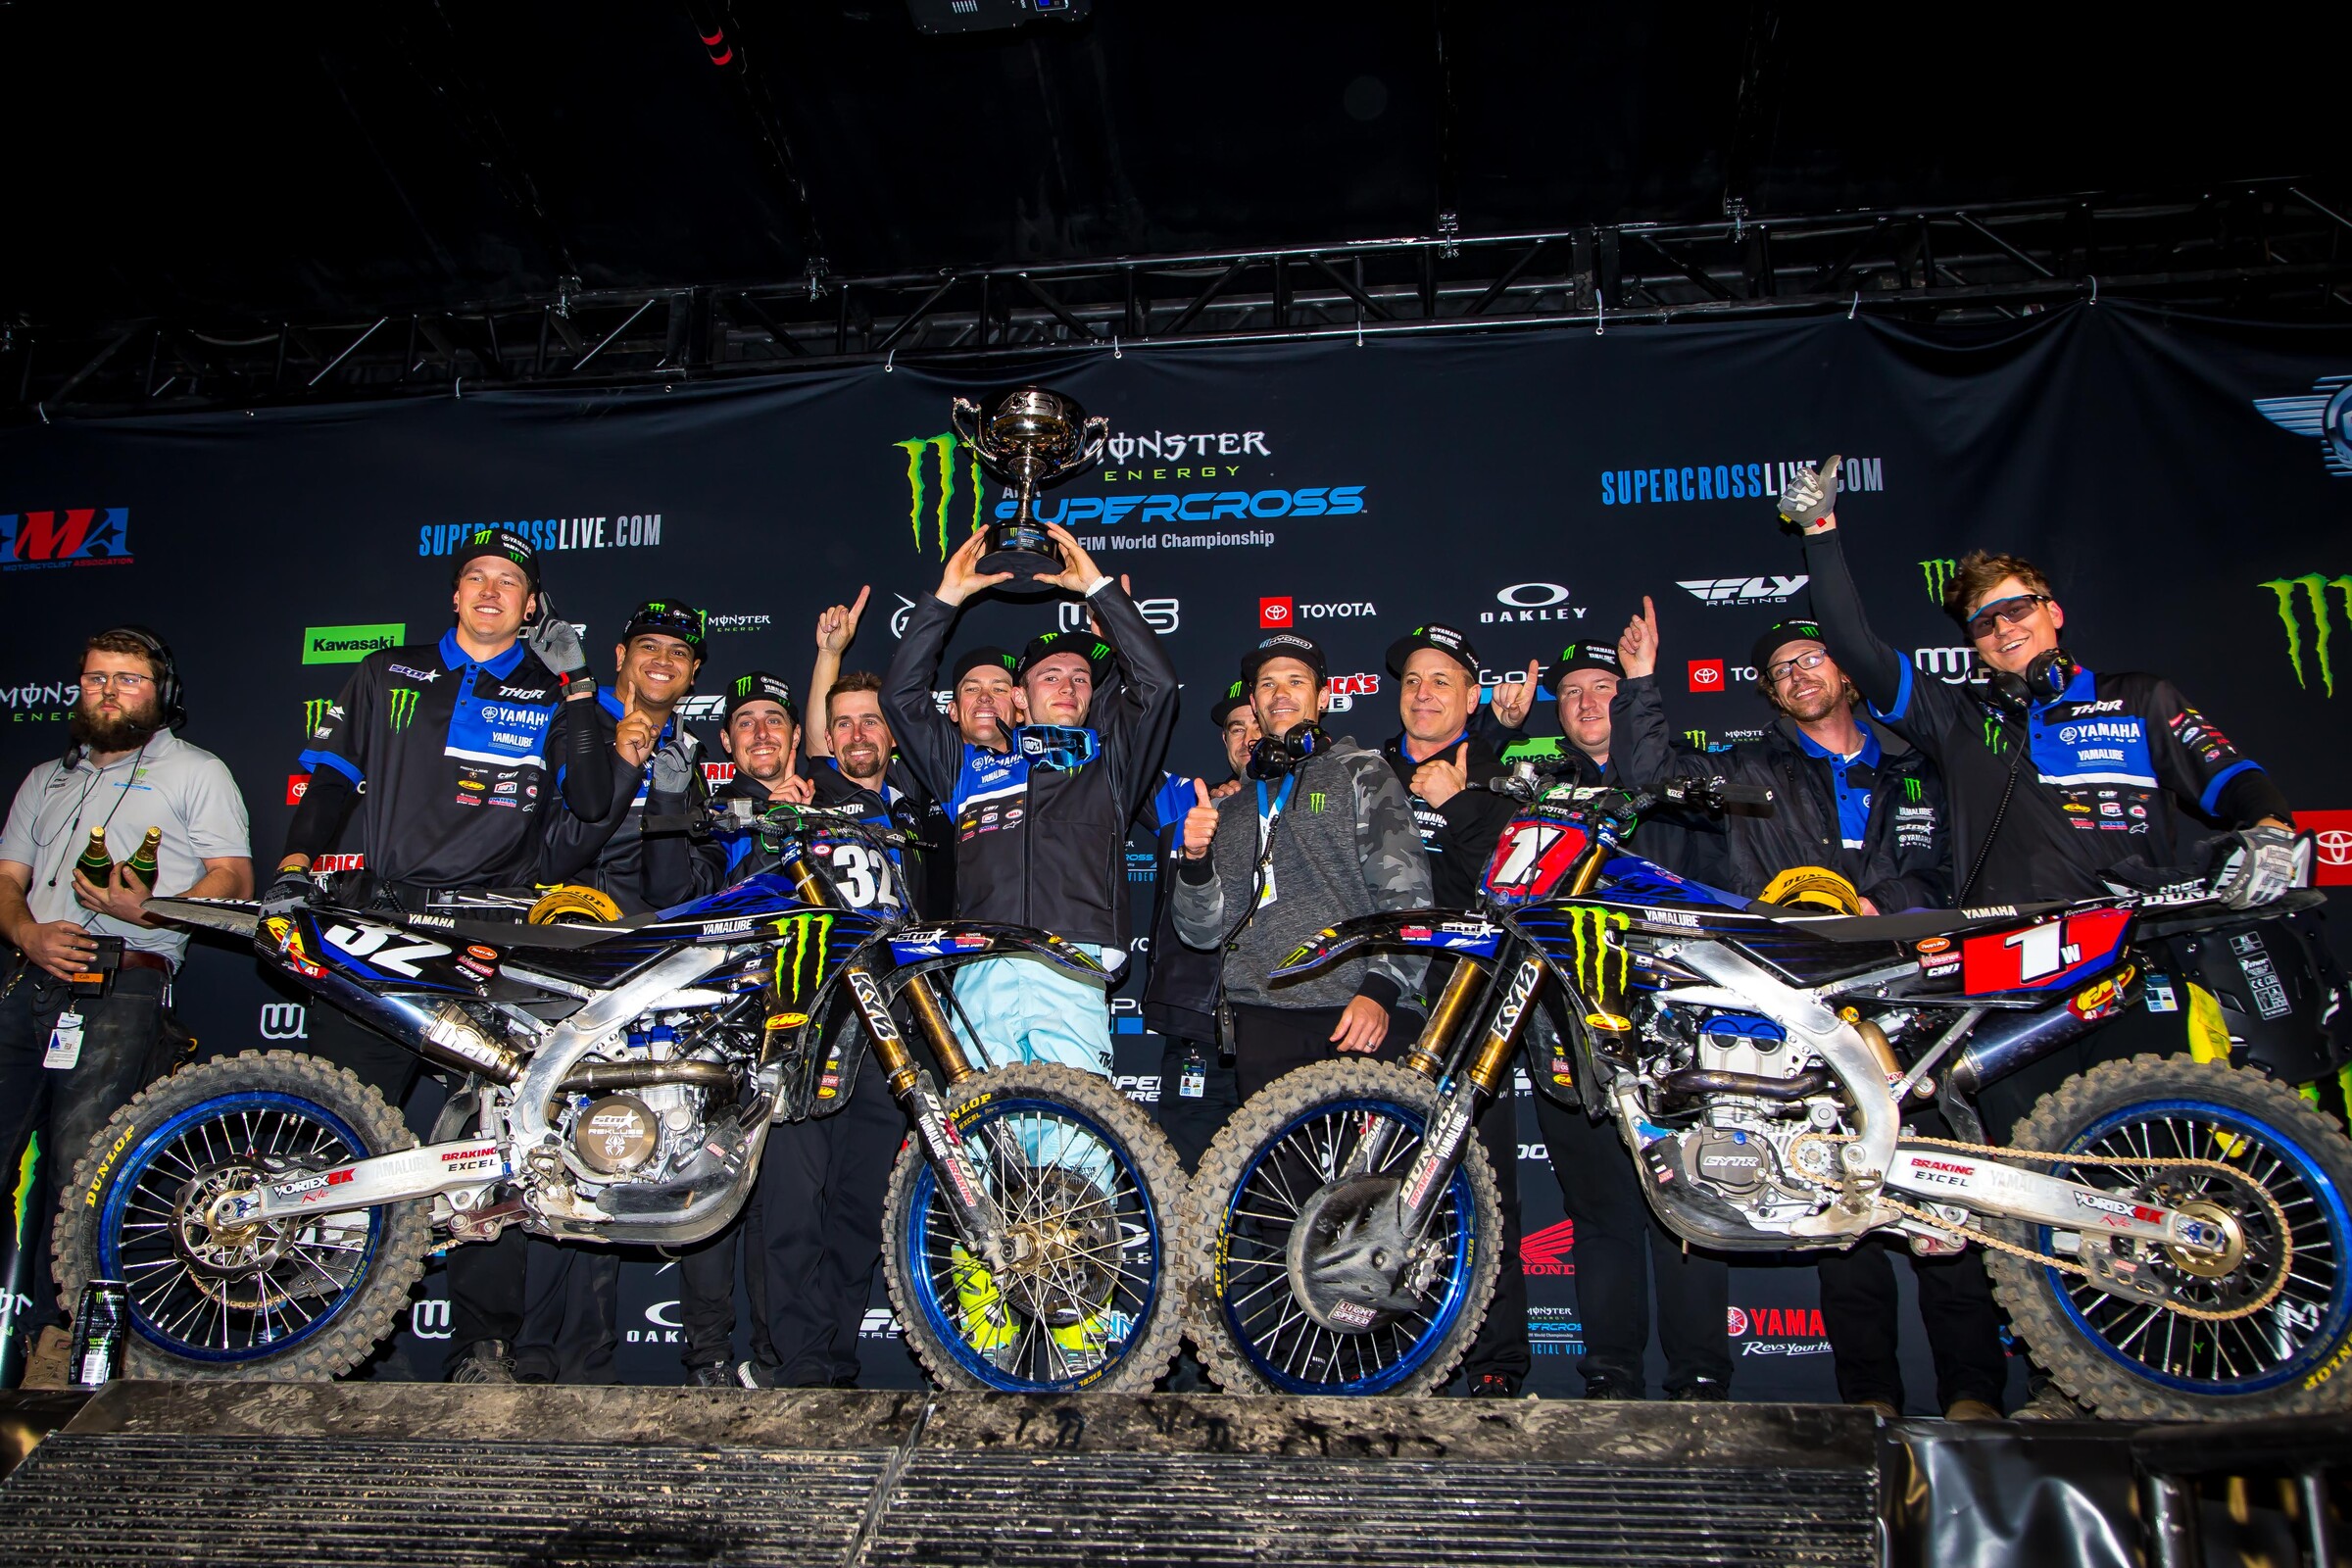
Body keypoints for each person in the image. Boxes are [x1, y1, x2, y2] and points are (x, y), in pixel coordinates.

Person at [1611, 602, 2007, 1420]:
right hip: (1805, 1008)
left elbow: (1955, 875)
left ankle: (1973, 1392)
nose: (1798, 674)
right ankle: (1869, 1397)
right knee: (1832, 1195)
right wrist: (1642, 682)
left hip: (1917, 1000)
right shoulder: (1750, 772)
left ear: (1847, 673)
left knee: (1945, 1190)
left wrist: (1883, 902)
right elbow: (1648, 779)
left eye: (1812, 658)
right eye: (1781, 669)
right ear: (1769, 691)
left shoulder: (1918, 771)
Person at [268, 526, 625, 1384]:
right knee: (332, 1125)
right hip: (380, 926)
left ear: (532, 606)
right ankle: (293, 1317)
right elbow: (330, 777)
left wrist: (579, 686)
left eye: (510, 581)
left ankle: (481, 1346)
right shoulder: (388, 672)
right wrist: (293, 866)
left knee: (495, 1146)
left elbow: (590, 798)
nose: (492, 590)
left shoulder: (552, 689)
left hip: (490, 940)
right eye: (477, 577)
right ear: (455, 594)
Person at [1488, 637, 1735, 1402]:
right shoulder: (1542, 791)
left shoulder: (1679, 775)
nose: (1588, 703)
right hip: (1572, 1023)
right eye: (1572, 694)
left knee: (1689, 1205)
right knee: (1598, 1212)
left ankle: (1699, 1378)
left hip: (1677, 1025)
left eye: (1604, 687)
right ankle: (1611, 1376)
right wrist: (1499, 734)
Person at [0, 627, 252, 1375]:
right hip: (24, 979)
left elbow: (233, 880)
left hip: (123, 981)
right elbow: (7, 881)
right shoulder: (45, 779)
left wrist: (146, 908)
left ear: (162, 693)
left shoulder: (196, 771)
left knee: (86, 1175)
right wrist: (27, 933)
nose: (110, 692)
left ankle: (68, 1350)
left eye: (129, 679)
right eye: (97, 678)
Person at [882, 522, 1179, 1078]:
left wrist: (1098, 590)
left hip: (1071, 963)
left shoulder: (1111, 766)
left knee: (1077, 1126)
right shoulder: (967, 767)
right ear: (1019, 697)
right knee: (979, 1126)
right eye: (1050, 676)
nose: (1067, 686)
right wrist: (948, 596)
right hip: (981, 964)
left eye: (1081, 679)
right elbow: (900, 698)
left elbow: (1156, 687)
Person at [514, 599, 721, 1388]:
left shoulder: (689, 751)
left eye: (679, 652)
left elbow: (675, 890)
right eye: (648, 647)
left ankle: (597, 1362)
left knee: (628, 1147)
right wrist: (626, 765)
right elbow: (557, 854)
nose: (662, 661)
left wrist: (667, 799)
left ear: (693, 674)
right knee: (550, 1155)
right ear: (620, 656)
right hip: (562, 963)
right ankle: (535, 1358)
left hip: (650, 975)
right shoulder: (577, 722)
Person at [1171, 631, 1432, 1097]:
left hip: (1359, 1009)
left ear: (1323, 697)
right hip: (1263, 1018)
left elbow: (1407, 898)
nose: (1281, 694)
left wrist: (1380, 991)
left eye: (1296, 681)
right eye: (1268, 684)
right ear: (1254, 703)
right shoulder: (1228, 807)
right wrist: (1194, 861)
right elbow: (1201, 934)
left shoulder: (1362, 772)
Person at [1379, 622, 1532, 1397]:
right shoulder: (1365, 770)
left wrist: (1462, 803)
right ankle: (1383, 1357)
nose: (1424, 693)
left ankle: (1497, 1362)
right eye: (1412, 680)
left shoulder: (1506, 776)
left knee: (1479, 1181)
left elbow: (1514, 888)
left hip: (1469, 1003)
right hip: (1382, 995)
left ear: (1473, 698)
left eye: (1442, 680)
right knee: (1378, 1180)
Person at [1142, 680, 1252, 1172]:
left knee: (1284, 1181)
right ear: (1224, 741)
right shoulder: (1189, 802)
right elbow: (1125, 758)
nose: (1248, 738)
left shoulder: (1314, 802)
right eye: (1236, 728)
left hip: (1280, 1024)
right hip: (1195, 1026)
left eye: (1256, 724)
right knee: (1190, 1180)